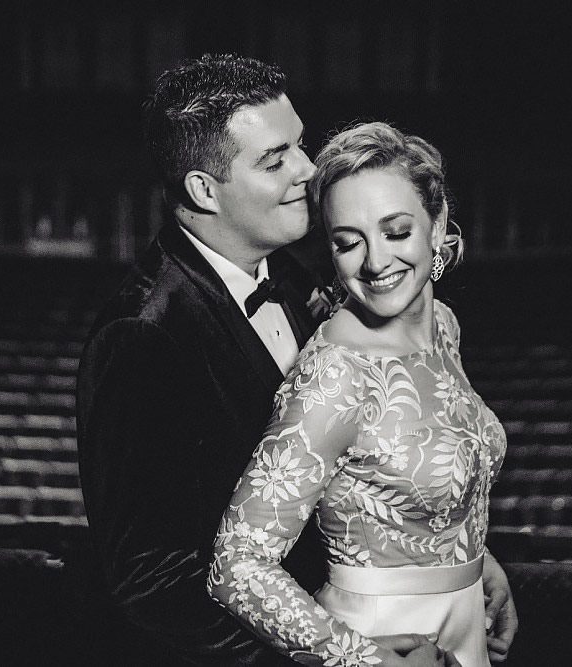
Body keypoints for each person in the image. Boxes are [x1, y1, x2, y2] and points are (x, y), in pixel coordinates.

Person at [78, 54, 490, 666]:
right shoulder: (142, 333)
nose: (307, 169)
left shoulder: (296, 276)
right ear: (202, 189)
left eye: (300, 144)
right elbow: (151, 579)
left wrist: (449, 561)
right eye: (276, 161)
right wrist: (337, 654)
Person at [206, 121, 518, 667]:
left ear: (438, 222)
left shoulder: (443, 325)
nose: (375, 263)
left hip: (464, 625)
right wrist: (363, 661)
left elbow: (418, 475)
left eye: (396, 231)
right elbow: (236, 566)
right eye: (348, 242)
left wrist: (475, 562)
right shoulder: (335, 375)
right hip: (386, 644)